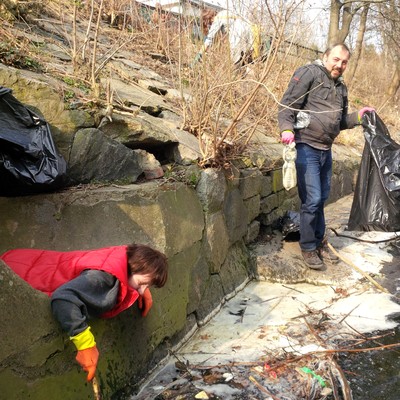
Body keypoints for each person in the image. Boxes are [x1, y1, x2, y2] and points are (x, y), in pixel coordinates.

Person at [0, 244, 168, 381]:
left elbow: (128, 273)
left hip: (21, 258)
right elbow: (63, 299)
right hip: (14, 275)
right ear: (132, 268)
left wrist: (136, 289)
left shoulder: (121, 257)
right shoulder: (103, 279)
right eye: (141, 284)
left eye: (148, 286)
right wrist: (85, 344)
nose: (141, 291)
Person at [278, 43, 374, 269]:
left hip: (325, 149)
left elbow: (339, 122)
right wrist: (286, 129)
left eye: (344, 62)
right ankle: (308, 247)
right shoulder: (309, 73)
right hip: (305, 146)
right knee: (311, 200)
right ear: (326, 56)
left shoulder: (341, 88)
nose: (339, 65)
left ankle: (319, 241)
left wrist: (358, 117)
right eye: (336, 59)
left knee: (321, 199)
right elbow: (287, 105)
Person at [192, 8, 260, 68]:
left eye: (209, 23)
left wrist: (198, 56)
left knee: (236, 61)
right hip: (251, 32)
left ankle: (236, 78)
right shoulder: (225, 13)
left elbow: (209, 40)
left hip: (239, 34)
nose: (210, 25)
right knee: (247, 60)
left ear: (208, 19)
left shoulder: (217, 19)